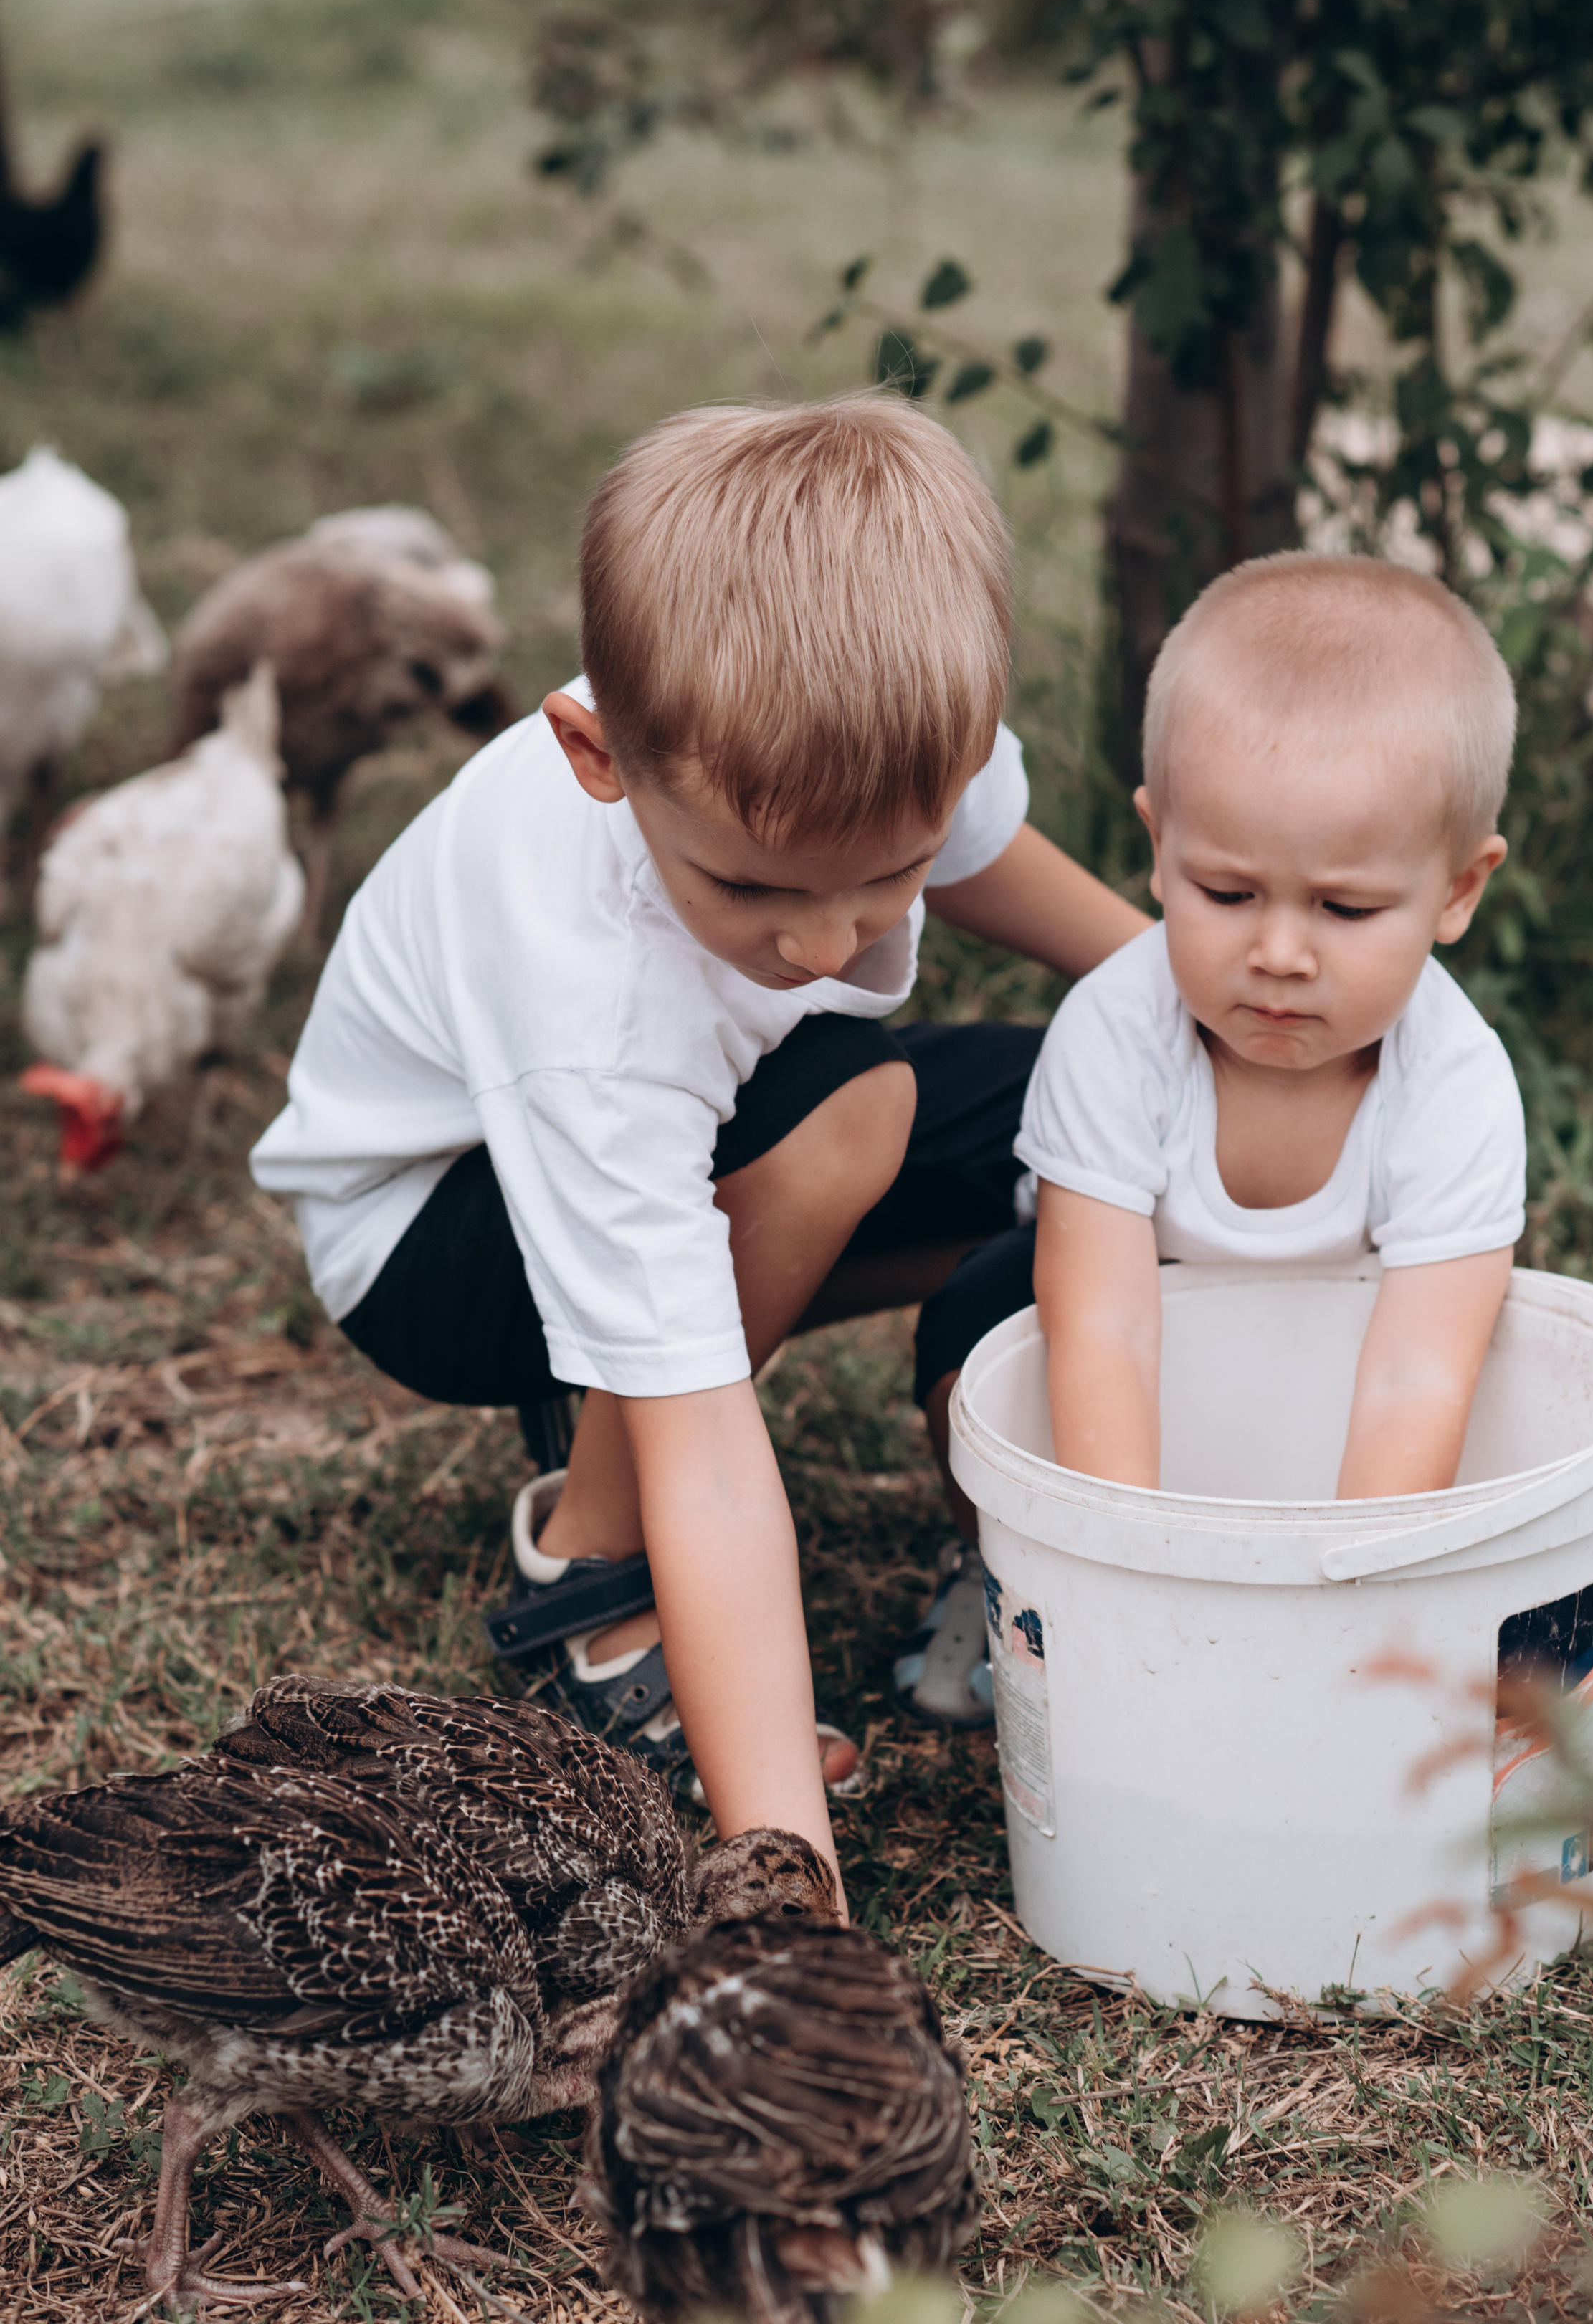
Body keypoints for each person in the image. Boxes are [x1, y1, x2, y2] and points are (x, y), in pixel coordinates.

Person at [250, 394, 1143, 1900]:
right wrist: (784, 1874)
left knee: (1123, 1117)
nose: (818, 938)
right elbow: (715, 1454)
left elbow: (1014, 878)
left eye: (886, 879)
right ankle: (591, 1590)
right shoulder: (588, 1002)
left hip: (712, 1122)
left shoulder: (892, 715)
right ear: (600, 756)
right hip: (429, 1234)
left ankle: (1045, 1506)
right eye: (747, 889)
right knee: (845, 1108)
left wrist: (1202, 1018)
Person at [913, 550, 1525, 1510]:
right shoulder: (1117, 1032)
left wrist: (1345, 1587)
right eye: (1228, 892)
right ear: (1160, 850)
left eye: (1347, 909)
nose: (1280, 952)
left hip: (1338, 1380)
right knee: (975, 1335)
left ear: (1458, 890)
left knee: (1489, 1348)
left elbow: (1418, 1374)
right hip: (1122, 1380)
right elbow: (1103, 1328)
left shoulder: (1455, 1083)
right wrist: (1133, 1564)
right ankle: (1007, 1566)